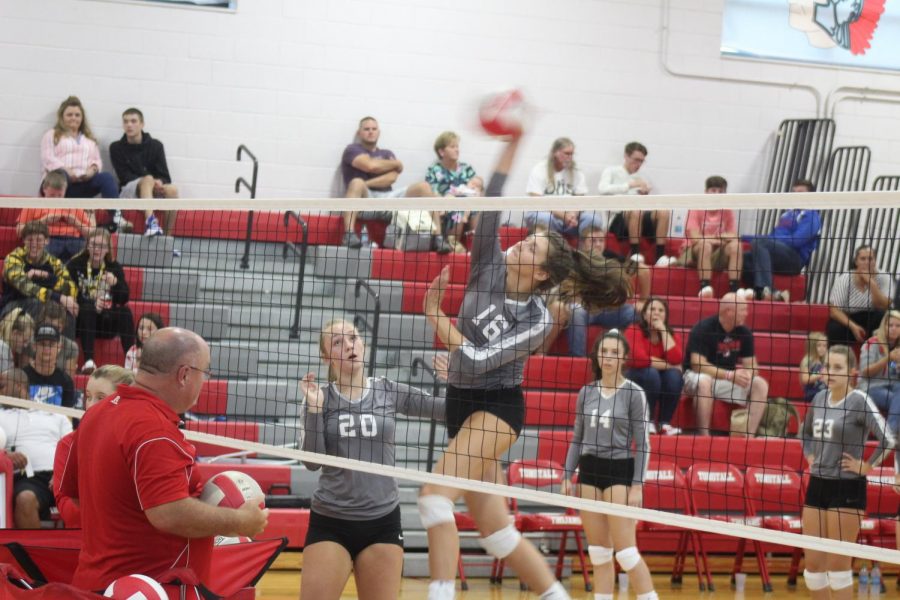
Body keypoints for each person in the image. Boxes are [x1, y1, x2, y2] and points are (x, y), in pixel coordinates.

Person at [417, 131, 632, 600]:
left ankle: (438, 594)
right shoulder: (487, 265)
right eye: (527, 240)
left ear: (539, 274)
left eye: (531, 249)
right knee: (497, 536)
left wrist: (436, 316)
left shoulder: (536, 319)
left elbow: (475, 361)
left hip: (497, 408)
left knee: (434, 500)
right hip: (461, 404)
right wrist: (512, 142)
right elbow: (491, 202)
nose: (519, 247)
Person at [58, 328, 268, 591]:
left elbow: (73, 496)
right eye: (205, 373)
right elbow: (168, 514)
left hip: (98, 584)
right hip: (150, 589)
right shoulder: (154, 430)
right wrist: (238, 521)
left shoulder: (96, 415)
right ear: (184, 375)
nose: (204, 383)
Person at [298, 319, 445, 600]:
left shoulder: (388, 390)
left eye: (353, 338)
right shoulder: (319, 398)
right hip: (331, 520)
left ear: (363, 345)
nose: (349, 345)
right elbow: (312, 462)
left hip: (382, 521)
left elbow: (445, 410)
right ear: (327, 357)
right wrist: (315, 409)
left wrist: (460, 383)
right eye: (338, 342)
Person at [561, 330, 656, 600]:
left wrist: (637, 486)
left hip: (619, 471)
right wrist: (568, 475)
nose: (609, 357)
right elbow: (577, 439)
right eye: (604, 351)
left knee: (626, 553)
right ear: (597, 356)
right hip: (588, 473)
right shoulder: (586, 392)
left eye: (615, 352)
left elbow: (644, 444)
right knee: (599, 553)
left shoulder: (634, 394)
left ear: (624, 357)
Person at [800, 345, 895, 600]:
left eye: (838, 368)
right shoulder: (819, 399)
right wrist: (810, 455)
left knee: (838, 569)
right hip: (817, 484)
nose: (830, 372)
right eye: (827, 366)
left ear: (851, 372)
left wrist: (867, 466)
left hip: (847, 488)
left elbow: (888, 438)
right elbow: (805, 432)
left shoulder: (859, 401)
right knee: (812, 569)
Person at [340, 116, 448, 252]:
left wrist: (370, 176)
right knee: (356, 183)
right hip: (366, 200)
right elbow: (370, 166)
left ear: (379, 132)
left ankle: (439, 238)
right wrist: (395, 164)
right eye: (366, 129)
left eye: (374, 129)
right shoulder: (352, 150)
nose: (370, 132)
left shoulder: (386, 153)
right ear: (359, 132)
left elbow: (391, 178)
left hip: (389, 199)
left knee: (423, 187)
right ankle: (349, 234)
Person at [53, 365, 135, 528]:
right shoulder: (67, 444)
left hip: (129, 539)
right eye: (88, 397)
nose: (91, 405)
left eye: (101, 397)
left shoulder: (137, 442)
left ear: (123, 400)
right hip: (84, 538)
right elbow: (67, 508)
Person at [682, 293, 770, 436]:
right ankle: (704, 437)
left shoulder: (744, 332)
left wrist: (746, 375)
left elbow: (752, 366)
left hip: (725, 380)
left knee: (760, 384)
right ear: (729, 311)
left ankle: (748, 436)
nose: (746, 314)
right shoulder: (703, 328)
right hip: (696, 377)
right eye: (743, 310)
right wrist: (729, 375)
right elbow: (697, 365)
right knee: (705, 381)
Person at [0, 367, 73, 529]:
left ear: (19, 386)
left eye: (2, 386)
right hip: (28, 478)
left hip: (61, 475)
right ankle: (33, 553)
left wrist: (62, 474)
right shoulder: (0, 415)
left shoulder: (55, 413)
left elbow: (73, 448)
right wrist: (6, 455)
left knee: (92, 494)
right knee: (25, 499)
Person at [564, 225, 645, 357]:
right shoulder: (575, 259)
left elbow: (644, 271)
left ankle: (629, 356)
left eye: (601, 240)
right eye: (593, 241)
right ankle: (577, 359)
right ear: (583, 243)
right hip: (586, 308)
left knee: (635, 313)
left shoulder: (611, 257)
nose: (598, 244)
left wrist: (644, 300)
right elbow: (566, 287)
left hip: (610, 309)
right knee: (575, 311)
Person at [67, 228, 136, 374]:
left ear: (107, 249)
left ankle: (133, 361)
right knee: (87, 309)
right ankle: (89, 361)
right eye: (93, 245)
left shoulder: (114, 267)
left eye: (101, 246)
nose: (97, 249)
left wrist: (116, 283)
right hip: (83, 321)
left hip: (106, 320)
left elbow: (124, 299)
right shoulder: (75, 264)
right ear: (87, 246)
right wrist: (92, 303)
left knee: (125, 312)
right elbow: (68, 292)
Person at [743, 179, 822, 301]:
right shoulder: (787, 214)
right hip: (777, 256)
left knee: (760, 243)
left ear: (810, 195)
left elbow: (796, 241)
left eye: (800, 192)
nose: (795, 196)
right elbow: (770, 239)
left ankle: (766, 289)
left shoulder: (811, 216)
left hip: (793, 260)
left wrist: (768, 239)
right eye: (793, 192)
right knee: (744, 257)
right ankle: (772, 293)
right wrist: (740, 238)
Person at [109, 107, 179, 236]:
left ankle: (167, 240)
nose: (129, 125)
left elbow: (165, 177)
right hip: (128, 191)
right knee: (148, 179)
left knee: (172, 190)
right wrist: (150, 181)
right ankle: (151, 222)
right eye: (126, 121)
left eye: (133, 121)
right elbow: (124, 177)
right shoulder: (116, 147)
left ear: (142, 124)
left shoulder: (156, 146)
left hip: (152, 188)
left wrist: (159, 182)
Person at [1, 220, 79, 334]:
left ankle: (65, 349)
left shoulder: (54, 262)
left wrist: (46, 277)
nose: (34, 244)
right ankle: (36, 348)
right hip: (12, 307)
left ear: (46, 241)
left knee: (68, 310)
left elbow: (72, 288)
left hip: (44, 304)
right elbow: (25, 287)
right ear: (24, 240)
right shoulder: (13, 258)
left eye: (39, 240)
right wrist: (58, 297)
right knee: (37, 303)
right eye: (30, 239)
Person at [599, 142, 668, 264]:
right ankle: (635, 253)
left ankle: (660, 257)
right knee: (635, 211)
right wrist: (628, 185)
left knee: (663, 212)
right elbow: (602, 189)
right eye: (636, 160)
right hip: (617, 219)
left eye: (642, 161)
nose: (638, 164)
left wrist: (644, 194)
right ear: (626, 156)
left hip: (638, 217)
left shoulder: (642, 177)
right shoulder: (611, 171)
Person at [40, 96, 118, 202]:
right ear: (62, 117)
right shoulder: (52, 134)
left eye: (77, 115)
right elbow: (47, 158)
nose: (73, 118)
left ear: (82, 118)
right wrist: (67, 171)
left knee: (107, 177)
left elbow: (97, 160)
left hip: (83, 183)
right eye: (69, 115)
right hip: (60, 183)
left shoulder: (89, 139)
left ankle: (116, 217)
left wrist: (92, 170)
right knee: (61, 174)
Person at [624, 297, 684, 435]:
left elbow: (676, 358)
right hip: (635, 375)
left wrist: (663, 330)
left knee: (675, 376)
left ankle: (664, 423)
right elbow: (639, 360)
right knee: (651, 374)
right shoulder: (633, 330)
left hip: (657, 376)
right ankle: (647, 421)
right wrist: (669, 365)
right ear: (644, 315)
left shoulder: (671, 334)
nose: (656, 313)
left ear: (666, 316)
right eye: (652, 309)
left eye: (661, 310)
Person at [676, 177, 743, 297]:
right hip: (693, 252)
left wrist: (715, 238)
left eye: (720, 191)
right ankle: (705, 287)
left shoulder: (727, 210)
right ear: (706, 192)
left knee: (736, 246)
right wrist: (719, 239)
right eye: (713, 190)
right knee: (704, 245)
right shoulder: (696, 208)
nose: (717, 194)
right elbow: (695, 238)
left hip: (716, 252)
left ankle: (734, 290)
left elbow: (734, 236)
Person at [524, 137, 600, 241]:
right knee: (545, 218)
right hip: (545, 214)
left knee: (594, 219)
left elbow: (579, 200)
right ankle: (548, 253)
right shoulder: (539, 169)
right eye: (566, 153)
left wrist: (572, 214)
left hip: (569, 218)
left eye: (571, 154)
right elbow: (537, 200)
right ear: (555, 152)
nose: (569, 157)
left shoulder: (577, 172)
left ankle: (584, 255)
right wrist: (562, 215)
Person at [17, 169, 96, 262]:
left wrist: (76, 223)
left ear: (65, 191)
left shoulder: (74, 205)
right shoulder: (33, 204)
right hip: (47, 241)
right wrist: (43, 222)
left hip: (74, 241)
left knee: (89, 252)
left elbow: (93, 234)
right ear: (44, 189)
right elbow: (19, 231)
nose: (56, 199)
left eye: (60, 195)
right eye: (52, 195)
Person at [425, 131, 483, 254]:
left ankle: (476, 246)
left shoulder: (466, 168)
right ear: (441, 152)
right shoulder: (434, 170)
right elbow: (432, 194)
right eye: (452, 147)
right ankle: (453, 243)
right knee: (458, 209)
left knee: (477, 206)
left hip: (468, 206)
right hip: (445, 208)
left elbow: (477, 187)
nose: (457, 150)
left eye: (457, 146)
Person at [826, 245, 894, 347]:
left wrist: (872, 283)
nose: (867, 262)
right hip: (849, 317)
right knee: (834, 328)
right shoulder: (845, 278)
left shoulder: (885, 277)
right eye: (863, 259)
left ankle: (877, 354)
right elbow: (834, 310)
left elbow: (883, 305)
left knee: (882, 316)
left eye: (870, 259)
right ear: (856, 261)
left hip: (872, 317)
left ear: (875, 261)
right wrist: (853, 326)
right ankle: (838, 357)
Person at [858, 310, 900, 435]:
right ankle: (890, 433)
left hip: (893, 386)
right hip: (871, 387)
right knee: (897, 400)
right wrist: (888, 358)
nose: (894, 329)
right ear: (884, 326)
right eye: (890, 325)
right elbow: (865, 372)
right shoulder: (872, 343)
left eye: (898, 326)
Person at [23, 324, 75, 408]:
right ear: (34, 346)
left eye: (51, 344)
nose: (46, 348)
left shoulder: (66, 381)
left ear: (59, 347)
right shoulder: (22, 376)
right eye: (42, 344)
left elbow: (68, 417)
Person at [0, 308, 34, 372]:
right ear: (15, 333)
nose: (25, 345)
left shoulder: (14, 351)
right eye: (25, 340)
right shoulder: (2, 348)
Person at [800, 331, 828, 403]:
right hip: (812, 394)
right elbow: (805, 379)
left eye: (824, 346)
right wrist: (820, 375)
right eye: (819, 345)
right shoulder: (807, 361)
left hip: (825, 393)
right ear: (812, 346)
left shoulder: (825, 361)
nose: (822, 348)